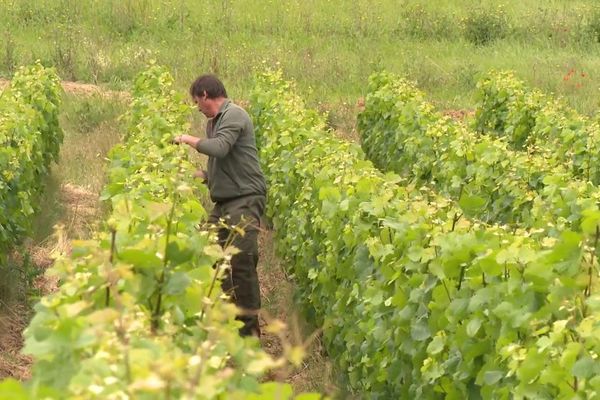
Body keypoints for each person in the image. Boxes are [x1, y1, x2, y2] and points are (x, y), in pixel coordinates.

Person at [174, 74, 267, 337]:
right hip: (225, 202)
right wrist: (200, 176)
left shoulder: (234, 115)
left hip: (245, 200)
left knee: (241, 264)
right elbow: (222, 163)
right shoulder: (214, 123)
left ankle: (249, 337)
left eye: (196, 101)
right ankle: (226, 324)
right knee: (211, 256)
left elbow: (221, 149)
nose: (197, 108)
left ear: (205, 95)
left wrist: (186, 140)